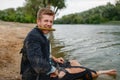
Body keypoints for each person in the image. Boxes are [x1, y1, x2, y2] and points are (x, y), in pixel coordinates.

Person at [20, 8, 117, 80]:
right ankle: (97, 73)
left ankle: (84, 73)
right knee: (84, 71)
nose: (49, 24)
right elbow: (38, 64)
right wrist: (55, 71)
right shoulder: (33, 37)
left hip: (47, 65)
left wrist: (55, 58)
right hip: (38, 76)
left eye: (51, 21)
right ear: (38, 21)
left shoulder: (41, 33)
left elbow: (42, 52)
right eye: (46, 21)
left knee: (73, 62)